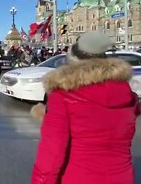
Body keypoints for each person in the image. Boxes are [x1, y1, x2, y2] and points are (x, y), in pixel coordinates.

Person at [31, 31, 140, 184]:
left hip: (77, 177)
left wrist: (52, 116)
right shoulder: (127, 95)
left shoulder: (62, 97)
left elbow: (52, 154)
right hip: (122, 177)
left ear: (73, 61)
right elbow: (101, 121)